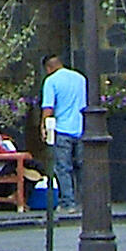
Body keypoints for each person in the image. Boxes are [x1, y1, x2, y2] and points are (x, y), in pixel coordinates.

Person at [40, 54, 88, 207]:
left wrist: (44, 127)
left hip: (61, 130)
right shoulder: (80, 78)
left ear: (48, 68)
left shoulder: (51, 81)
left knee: (63, 168)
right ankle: (84, 202)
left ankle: (68, 202)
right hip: (80, 128)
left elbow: (48, 108)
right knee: (82, 166)